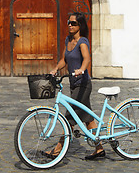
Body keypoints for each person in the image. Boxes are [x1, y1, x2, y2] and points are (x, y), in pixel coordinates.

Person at [45, 12, 105, 160]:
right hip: (74, 84)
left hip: (83, 85)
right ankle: (99, 148)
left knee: (69, 118)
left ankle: (58, 149)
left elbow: (86, 58)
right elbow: (64, 59)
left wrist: (82, 69)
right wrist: (56, 69)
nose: (70, 26)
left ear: (80, 26)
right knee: (88, 119)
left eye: (74, 23)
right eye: (69, 22)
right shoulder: (68, 40)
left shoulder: (82, 41)